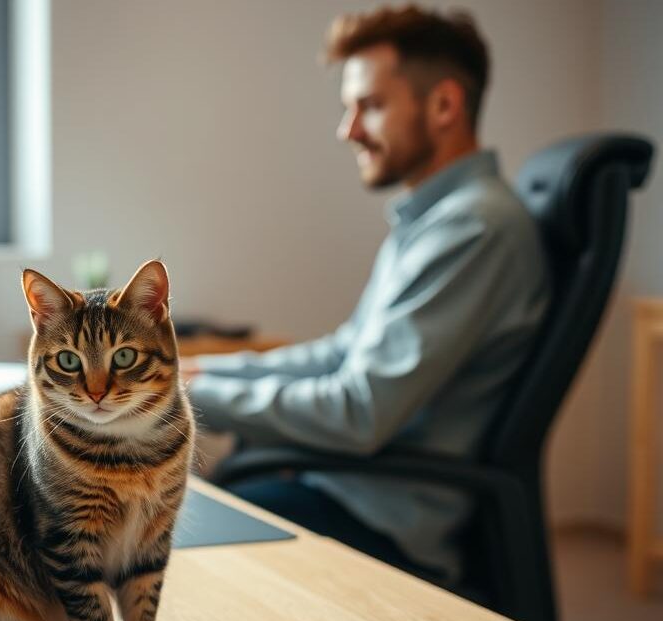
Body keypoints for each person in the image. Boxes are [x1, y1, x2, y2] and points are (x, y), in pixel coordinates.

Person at [185, 4, 550, 583]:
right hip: (341, 484)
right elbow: (342, 352)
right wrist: (206, 377)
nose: (348, 129)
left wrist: (191, 399)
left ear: (445, 106)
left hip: (380, 520)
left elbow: (360, 412)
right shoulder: (433, 221)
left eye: (371, 106)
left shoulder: (474, 228)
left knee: (157, 548)